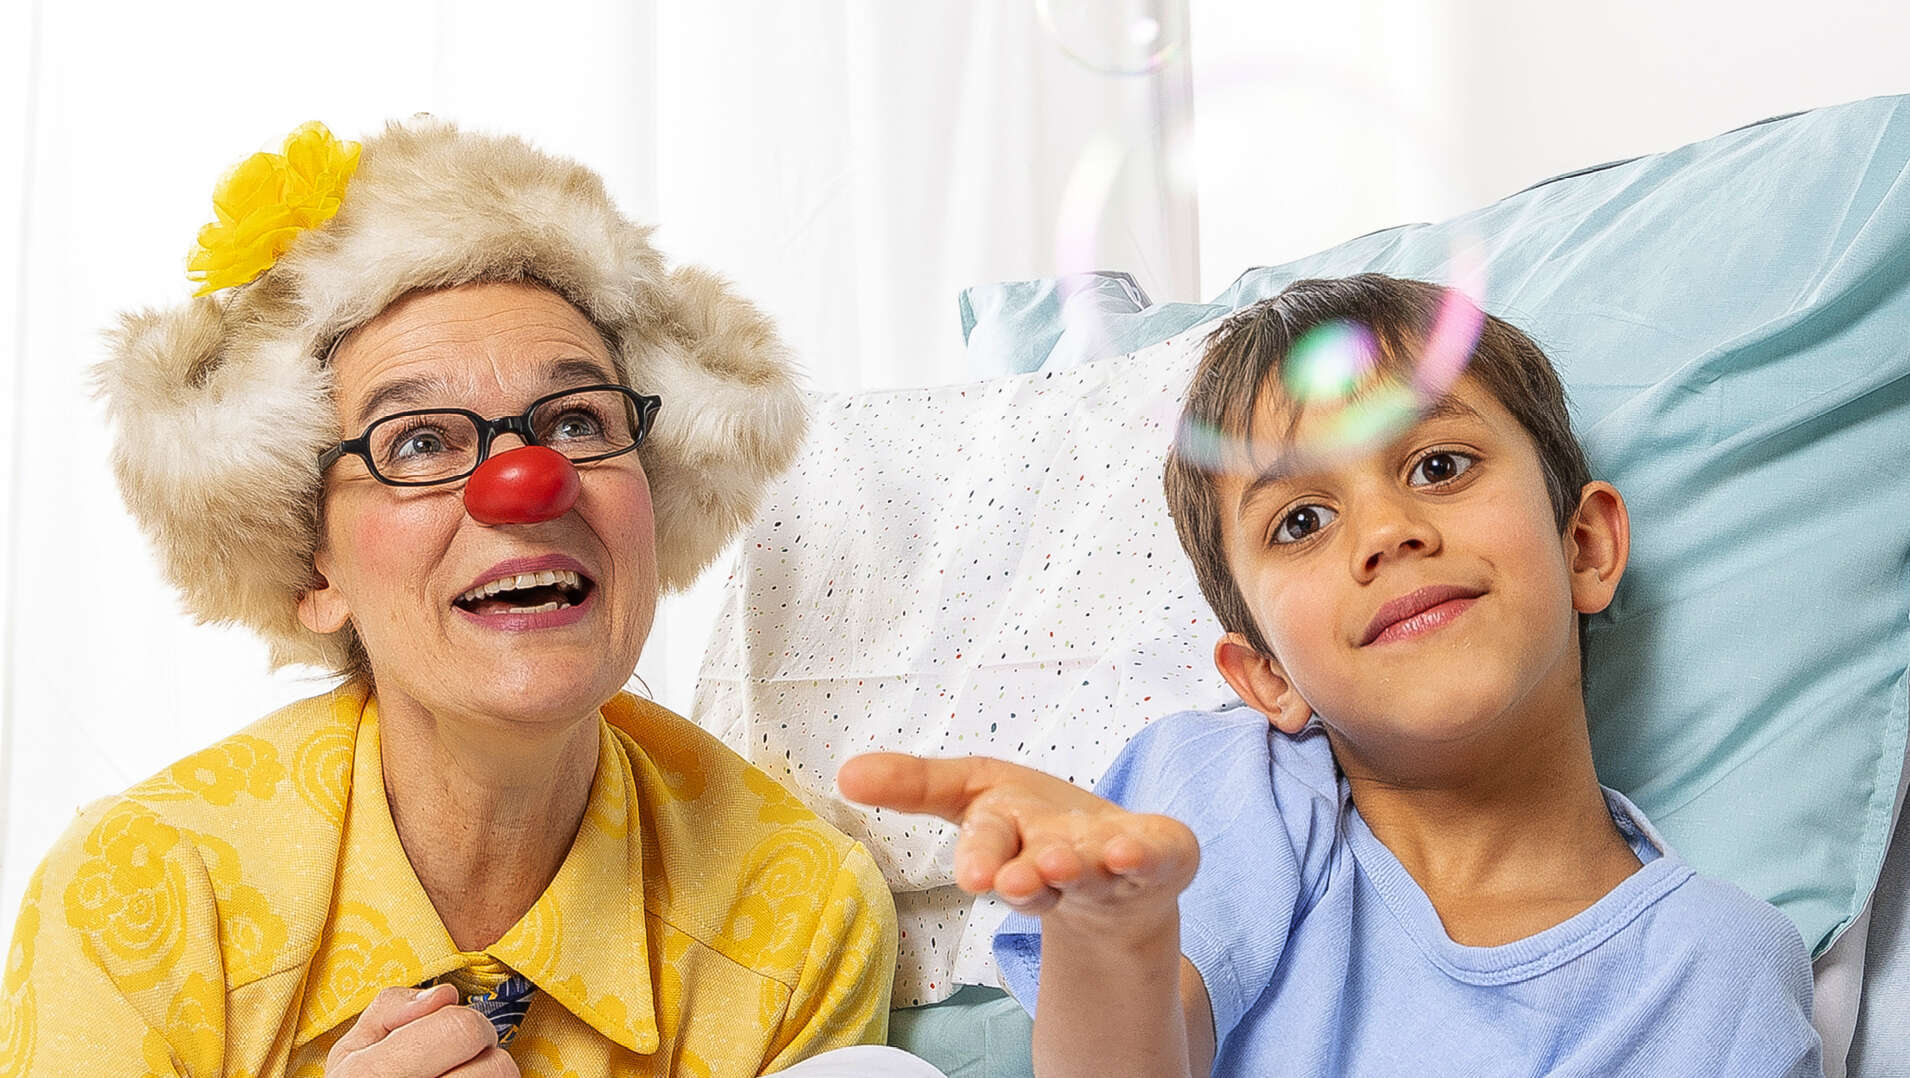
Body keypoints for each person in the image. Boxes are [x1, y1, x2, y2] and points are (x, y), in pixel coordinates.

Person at [0, 119, 900, 1077]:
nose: (528, 481)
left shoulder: (800, 914)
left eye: (576, 419)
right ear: (315, 571)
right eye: (420, 441)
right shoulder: (141, 887)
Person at [840, 275, 1824, 1077]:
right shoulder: (1219, 793)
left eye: (1437, 464)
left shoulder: (1713, 965)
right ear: (1265, 675)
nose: (1387, 532)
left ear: (1584, 546)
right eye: (1300, 521)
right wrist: (1118, 939)